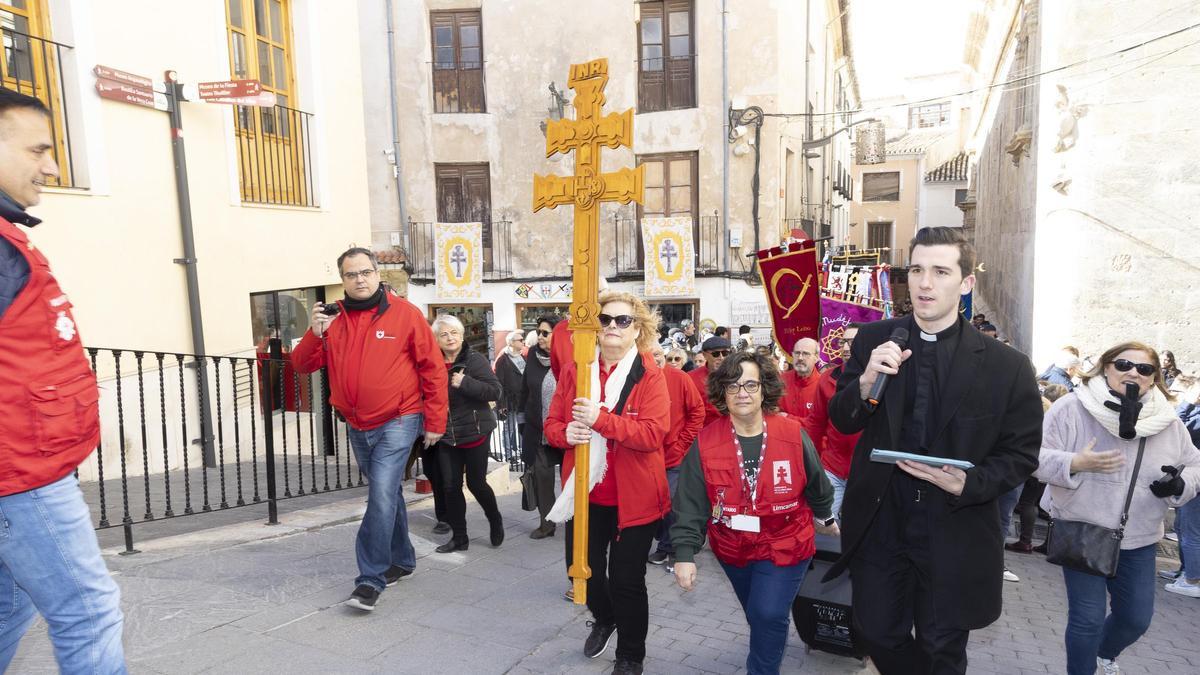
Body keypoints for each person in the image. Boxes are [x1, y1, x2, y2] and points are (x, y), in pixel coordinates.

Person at [824, 226, 1043, 674]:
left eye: (940, 271)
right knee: (875, 631)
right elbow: (844, 418)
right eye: (918, 270)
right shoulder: (872, 341)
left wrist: (971, 481)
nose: (925, 283)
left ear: (965, 283)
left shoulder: (1008, 366)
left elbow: (1021, 453)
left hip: (954, 522)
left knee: (942, 647)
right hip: (882, 516)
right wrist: (865, 383)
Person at [0, 87, 126, 671]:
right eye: (38, 150)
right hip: (22, 476)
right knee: (88, 611)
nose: (51, 167)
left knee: (8, 608)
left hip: (24, 468)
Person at [293, 247, 448, 611]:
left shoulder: (406, 315)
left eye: (365, 272)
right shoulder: (331, 318)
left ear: (378, 274)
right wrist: (315, 333)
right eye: (351, 274)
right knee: (387, 493)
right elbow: (302, 365)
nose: (359, 279)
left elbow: (433, 370)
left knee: (378, 494)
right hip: (357, 424)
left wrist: (435, 421)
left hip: (399, 418)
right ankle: (404, 559)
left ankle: (370, 578)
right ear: (342, 279)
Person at [1035, 341, 1200, 674]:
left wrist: (1180, 485)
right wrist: (1075, 462)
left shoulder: (1167, 421)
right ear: (1106, 367)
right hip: (1084, 528)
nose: (1133, 373)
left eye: (1144, 369)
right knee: (1087, 619)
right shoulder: (1072, 407)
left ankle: (1102, 655)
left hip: (1139, 536)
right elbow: (1035, 458)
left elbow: (1195, 464)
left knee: (1135, 618)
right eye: (1123, 364)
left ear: (1154, 378)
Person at [671, 350, 839, 675]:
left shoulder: (792, 434)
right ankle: (769, 639)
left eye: (750, 384)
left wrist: (826, 517)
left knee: (767, 613)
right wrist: (684, 553)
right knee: (758, 613)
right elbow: (690, 503)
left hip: (786, 542)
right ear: (722, 393)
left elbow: (817, 483)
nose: (742, 393)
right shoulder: (705, 442)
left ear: (764, 389)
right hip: (733, 547)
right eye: (733, 386)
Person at [544, 291, 671, 675]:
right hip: (585, 492)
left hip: (636, 498)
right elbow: (550, 426)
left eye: (623, 321)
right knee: (580, 568)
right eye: (605, 319)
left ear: (638, 330)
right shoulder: (575, 371)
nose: (612, 326)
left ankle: (631, 656)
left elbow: (653, 434)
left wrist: (600, 420)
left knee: (627, 581)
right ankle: (605, 617)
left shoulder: (650, 375)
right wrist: (566, 433)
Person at [431, 314, 504, 553]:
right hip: (446, 436)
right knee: (450, 487)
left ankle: (495, 518)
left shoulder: (474, 360)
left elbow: (495, 391)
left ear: (462, 336)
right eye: (444, 334)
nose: (449, 337)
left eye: (454, 332)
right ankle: (460, 538)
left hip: (475, 433)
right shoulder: (432, 363)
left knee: (476, 483)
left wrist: (466, 383)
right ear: (436, 339)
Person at [647, 342, 706, 568]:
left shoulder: (680, 378)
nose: (658, 359)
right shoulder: (638, 378)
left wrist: (682, 445)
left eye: (659, 354)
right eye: (651, 355)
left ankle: (673, 549)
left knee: (672, 504)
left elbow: (697, 412)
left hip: (675, 457)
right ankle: (664, 545)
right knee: (655, 505)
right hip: (647, 457)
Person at [802, 323, 861, 519]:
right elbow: (816, 423)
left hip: (864, 470)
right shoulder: (827, 378)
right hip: (832, 467)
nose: (845, 348)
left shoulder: (881, 378)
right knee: (822, 523)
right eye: (843, 342)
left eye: (852, 343)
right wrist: (811, 462)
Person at [1006, 382, 1070, 554]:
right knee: (1037, 504)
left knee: (1025, 503)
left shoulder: (1039, 407)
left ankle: (1025, 541)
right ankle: (1039, 542)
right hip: (1046, 464)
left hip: (1033, 462)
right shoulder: (1061, 413)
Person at [523, 316, 561, 539]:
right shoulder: (532, 359)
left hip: (566, 433)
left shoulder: (572, 359)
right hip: (538, 431)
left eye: (545, 333)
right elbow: (524, 391)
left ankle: (577, 522)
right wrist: (522, 422)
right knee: (542, 480)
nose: (540, 336)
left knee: (571, 481)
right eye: (538, 332)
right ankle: (547, 523)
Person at [1164, 376, 1200, 594]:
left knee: (1190, 532)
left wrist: (1188, 403)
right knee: (1182, 528)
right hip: (1189, 480)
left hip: (1196, 484)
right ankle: (1185, 571)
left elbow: (1177, 428)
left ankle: (1192, 580)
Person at [494, 330, 527, 464]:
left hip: (523, 399)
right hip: (510, 400)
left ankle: (521, 451)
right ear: (512, 343)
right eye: (520, 340)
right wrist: (501, 404)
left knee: (522, 426)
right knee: (510, 428)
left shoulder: (522, 357)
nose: (523, 341)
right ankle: (508, 455)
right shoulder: (503, 359)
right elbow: (499, 383)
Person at [689, 336, 733, 427]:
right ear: (705, 355)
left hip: (733, 429)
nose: (721, 357)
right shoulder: (691, 378)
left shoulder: (739, 374)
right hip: (703, 432)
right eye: (716, 354)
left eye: (725, 353)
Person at [779, 337, 821, 422]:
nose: (800, 358)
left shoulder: (823, 385)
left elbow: (819, 424)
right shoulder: (780, 381)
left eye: (805, 354)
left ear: (816, 357)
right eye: (797, 353)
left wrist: (788, 418)